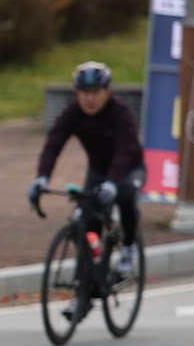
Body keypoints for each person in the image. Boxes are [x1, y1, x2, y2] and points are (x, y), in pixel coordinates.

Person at [28, 60, 144, 273]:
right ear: (76, 92)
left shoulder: (120, 113)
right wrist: (42, 177)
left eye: (96, 92)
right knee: (89, 222)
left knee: (126, 197)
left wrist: (112, 183)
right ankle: (88, 282)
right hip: (98, 171)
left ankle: (128, 246)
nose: (90, 98)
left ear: (107, 92)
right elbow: (53, 145)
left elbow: (123, 152)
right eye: (84, 92)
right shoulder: (72, 113)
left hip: (129, 169)